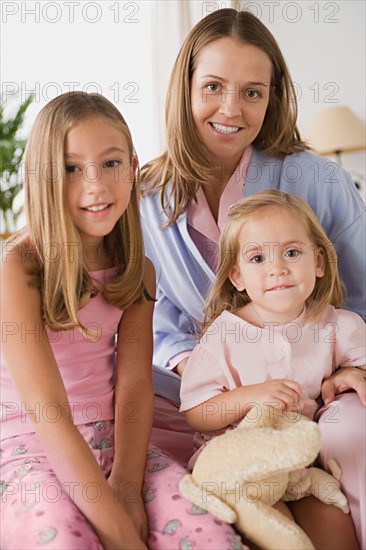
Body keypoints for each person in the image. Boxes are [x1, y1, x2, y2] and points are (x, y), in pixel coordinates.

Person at [140, 7, 366, 548]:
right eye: (213, 86)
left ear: (273, 96)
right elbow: (147, 306)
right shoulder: (144, 199)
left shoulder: (323, 180)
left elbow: (360, 290)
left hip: (321, 385)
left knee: (350, 439)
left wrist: (355, 368)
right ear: (185, 89)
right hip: (204, 392)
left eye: (252, 92)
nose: (231, 110)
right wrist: (188, 360)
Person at [0, 91, 246, 550]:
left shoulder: (138, 267)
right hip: (32, 444)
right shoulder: (18, 269)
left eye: (110, 164)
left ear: (132, 168)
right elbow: (48, 412)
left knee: (208, 534)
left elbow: (134, 385)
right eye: (72, 169)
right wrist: (120, 534)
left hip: (116, 437)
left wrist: (127, 490)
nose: (95, 185)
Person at [179, 189, 364, 549]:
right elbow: (197, 413)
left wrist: (348, 374)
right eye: (258, 257)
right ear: (237, 276)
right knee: (277, 529)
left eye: (292, 253)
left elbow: (359, 361)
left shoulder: (333, 324)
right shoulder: (224, 335)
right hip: (244, 466)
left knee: (335, 521)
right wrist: (249, 397)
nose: (277, 268)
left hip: (303, 467)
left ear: (320, 262)